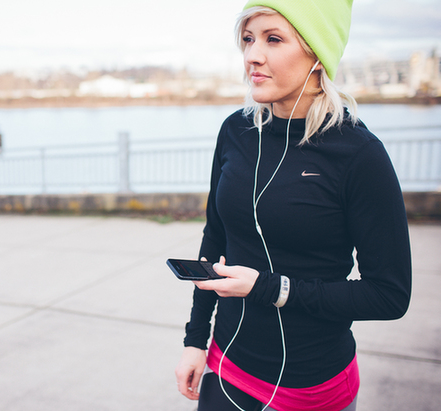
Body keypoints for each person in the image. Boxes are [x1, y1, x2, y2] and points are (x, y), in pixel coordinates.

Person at [174, 1, 412, 410]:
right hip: (226, 366)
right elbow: (215, 237)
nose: (252, 55)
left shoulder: (358, 153)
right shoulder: (236, 131)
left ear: (317, 55)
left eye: (273, 39)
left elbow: (389, 295)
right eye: (248, 39)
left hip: (312, 387)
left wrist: (272, 289)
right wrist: (196, 340)